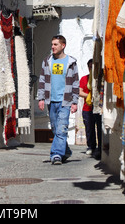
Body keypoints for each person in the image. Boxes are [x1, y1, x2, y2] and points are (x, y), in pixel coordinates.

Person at [38, 35, 79, 165]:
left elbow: (75, 83)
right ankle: (66, 151)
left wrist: (74, 101)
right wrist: (41, 98)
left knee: (62, 129)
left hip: (65, 101)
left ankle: (56, 154)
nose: (53, 47)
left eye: (55, 44)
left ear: (63, 45)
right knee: (56, 129)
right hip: (51, 100)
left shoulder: (71, 62)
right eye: (52, 44)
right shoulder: (47, 61)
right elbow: (42, 80)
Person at [79, 59, 102, 159]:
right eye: (90, 67)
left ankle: (100, 147)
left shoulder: (99, 79)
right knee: (89, 128)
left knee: (100, 128)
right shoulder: (84, 78)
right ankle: (91, 146)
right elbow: (79, 92)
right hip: (87, 108)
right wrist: (90, 96)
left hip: (98, 108)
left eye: (93, 67)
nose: (91, 69)